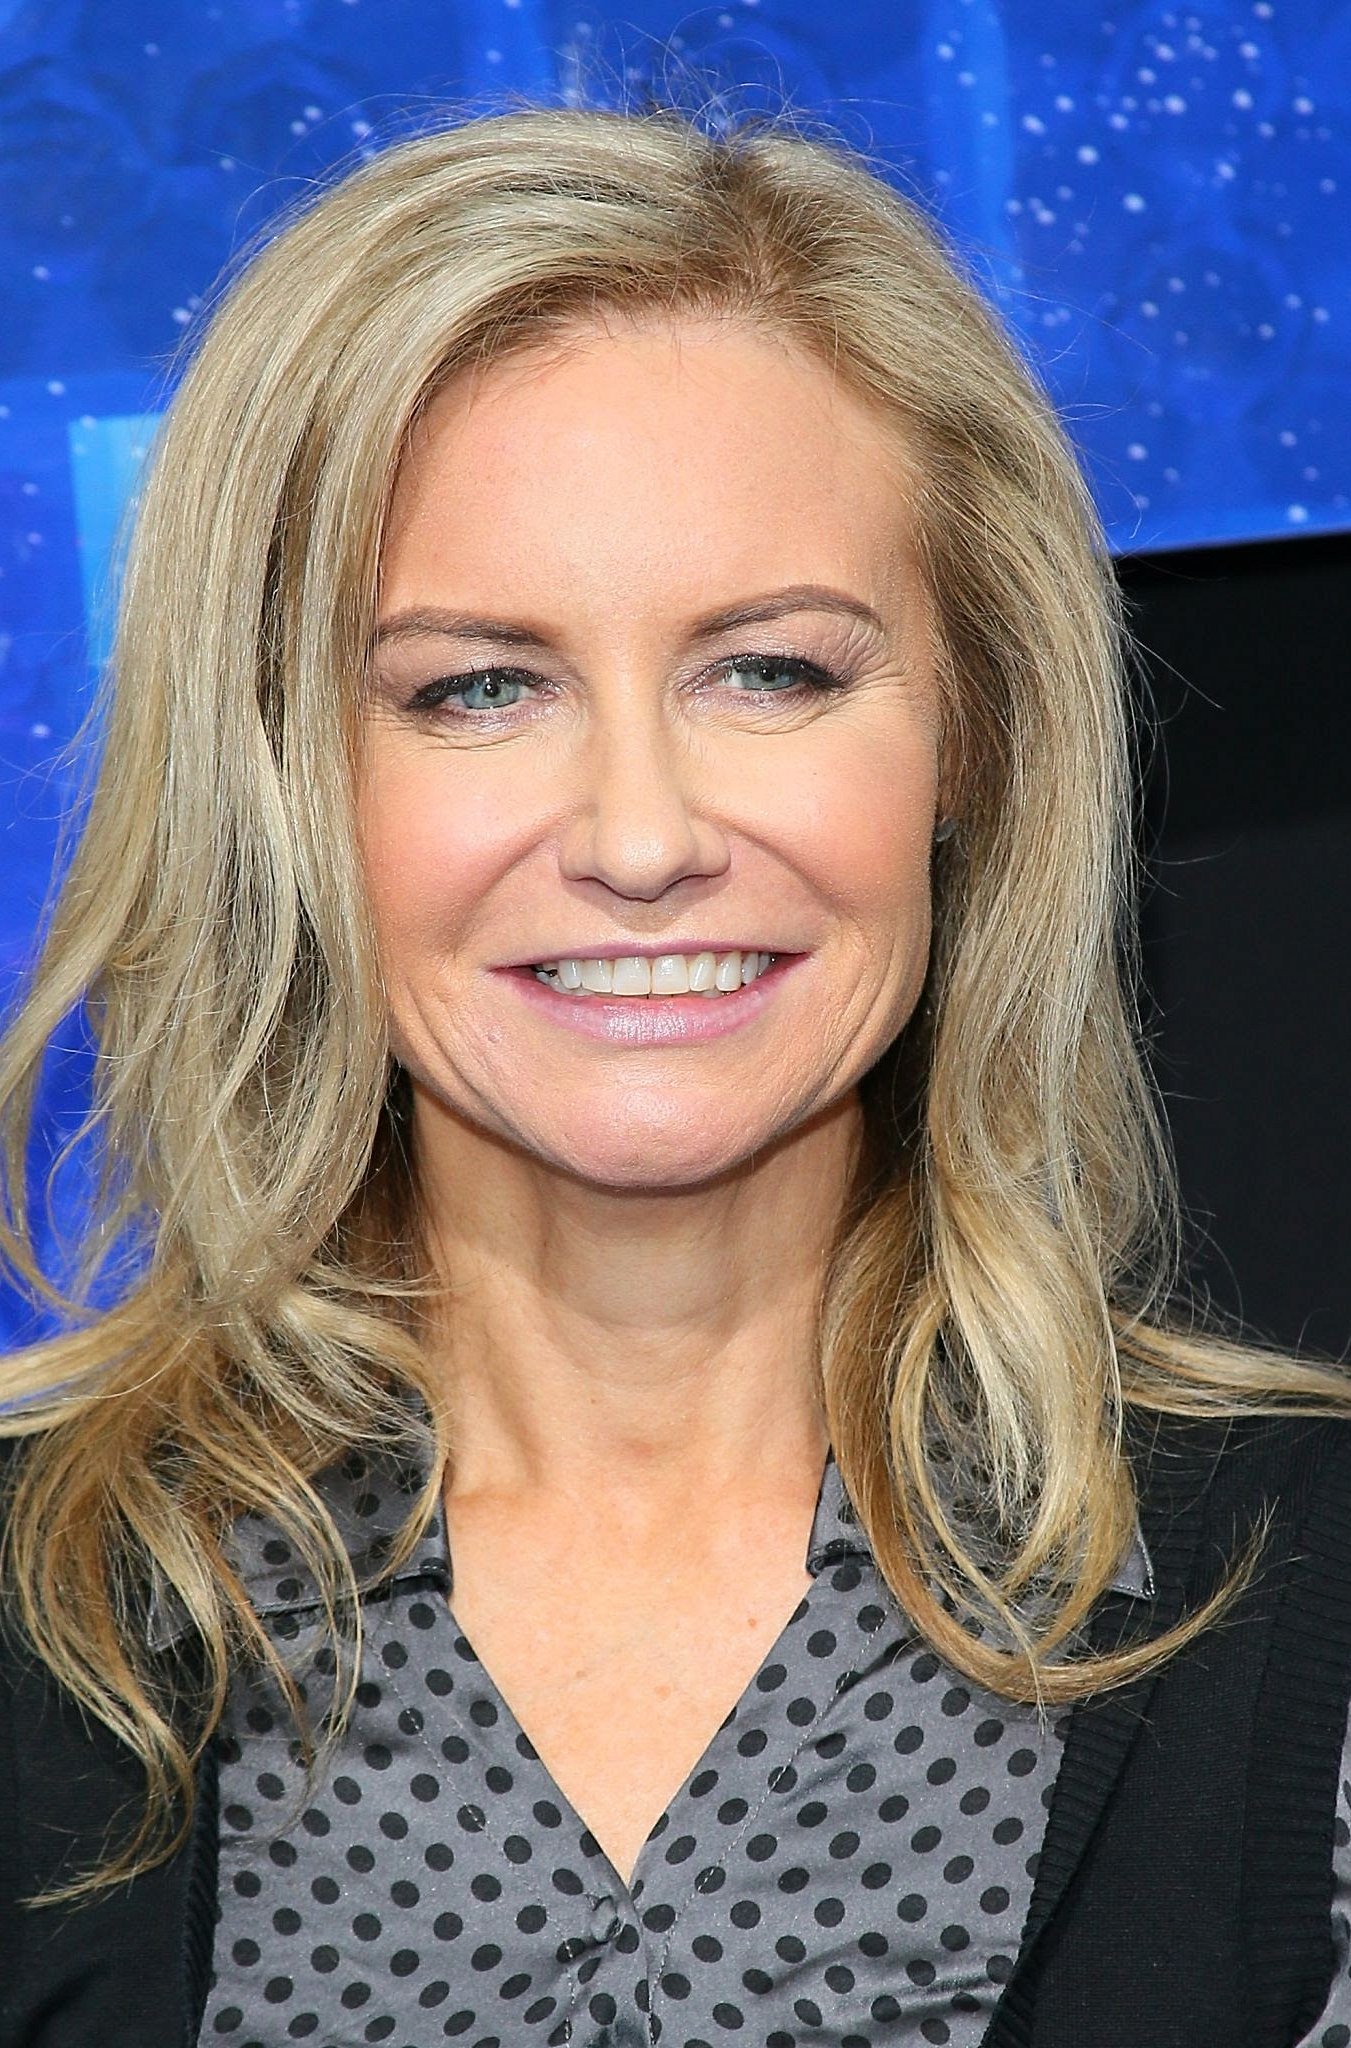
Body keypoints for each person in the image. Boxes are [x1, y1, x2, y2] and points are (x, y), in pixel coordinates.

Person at [1, 98, 1349, 2048]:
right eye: (478, 687)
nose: (640, 836)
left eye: (770, 671)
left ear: (970, 736)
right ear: (283, 777)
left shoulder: (1313, 1600)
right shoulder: (38, 1612)